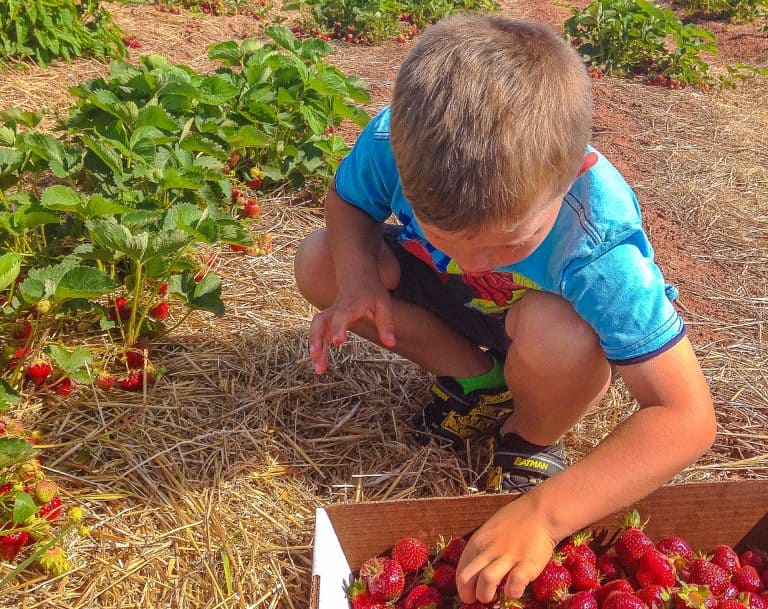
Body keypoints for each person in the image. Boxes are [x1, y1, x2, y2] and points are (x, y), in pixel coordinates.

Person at [293, 13, 716, 605]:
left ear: (575, 173)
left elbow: (686, 416)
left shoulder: (595, 244)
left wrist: (545, 517)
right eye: (442, 234)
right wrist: (361, 280)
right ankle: (478, 380)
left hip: (539, 332)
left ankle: (531, 436)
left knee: (562, 332)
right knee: (321, 260)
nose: (470, 264)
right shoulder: (398, 140)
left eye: (506, 245)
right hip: (463, 314)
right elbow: (348, 202)